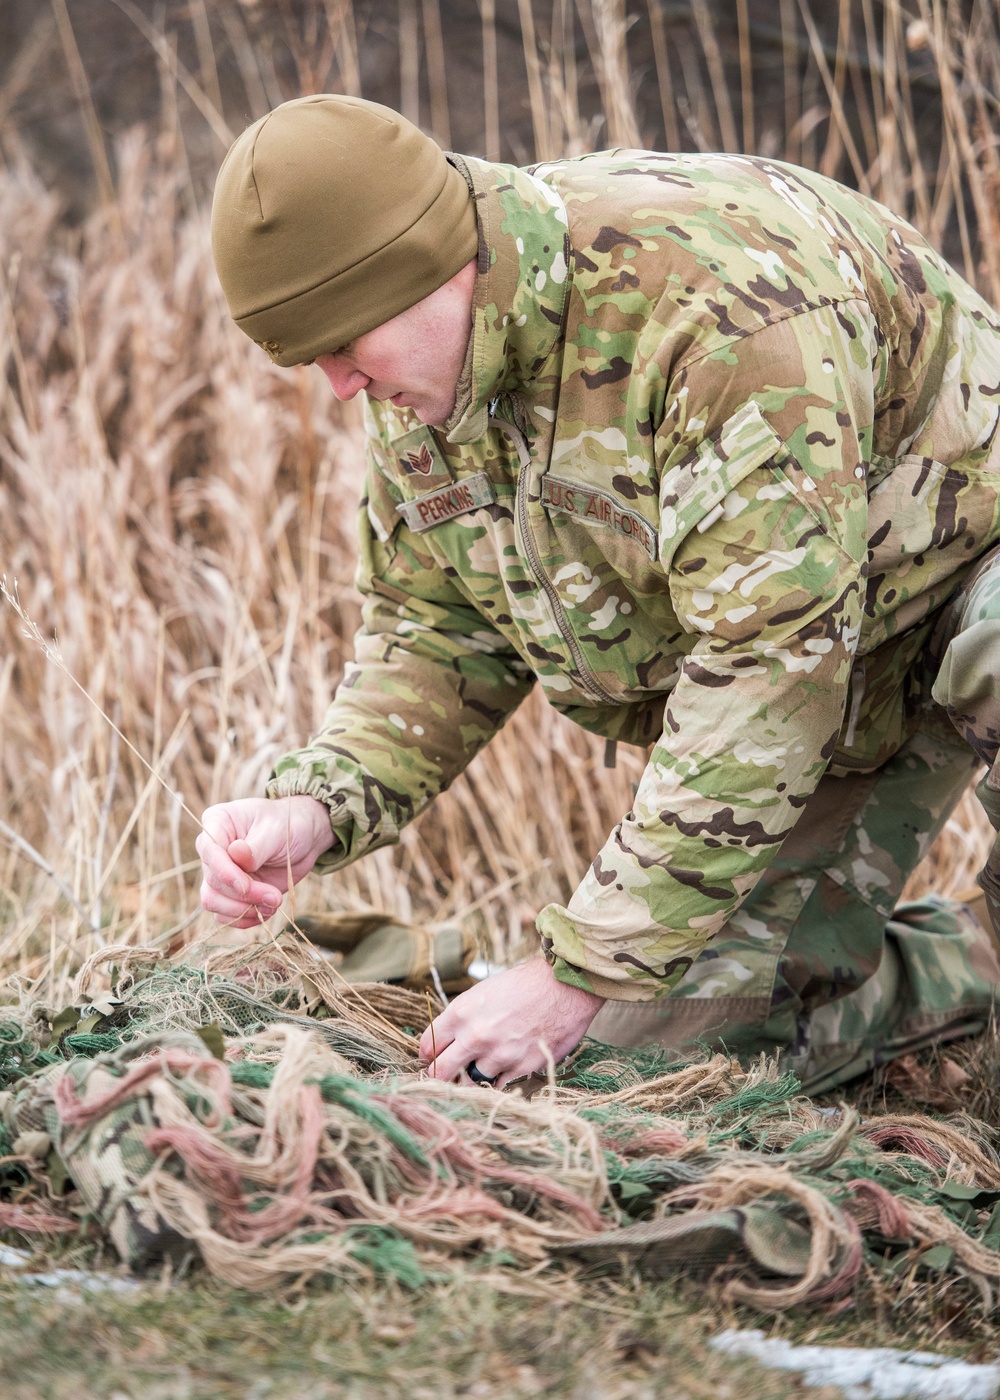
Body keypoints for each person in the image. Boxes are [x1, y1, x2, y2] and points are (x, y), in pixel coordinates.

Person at [199, 93, 1000, 1094]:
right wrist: (318, 804)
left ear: (424, 268)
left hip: (957, 573)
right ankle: (967, 970)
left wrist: (574, 969)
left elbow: (766, 670)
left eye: (340, 347)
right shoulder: (429, 366)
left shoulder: (717, 319)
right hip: (828, 662)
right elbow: (438, 625)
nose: (338, 390)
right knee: (657, 1059)